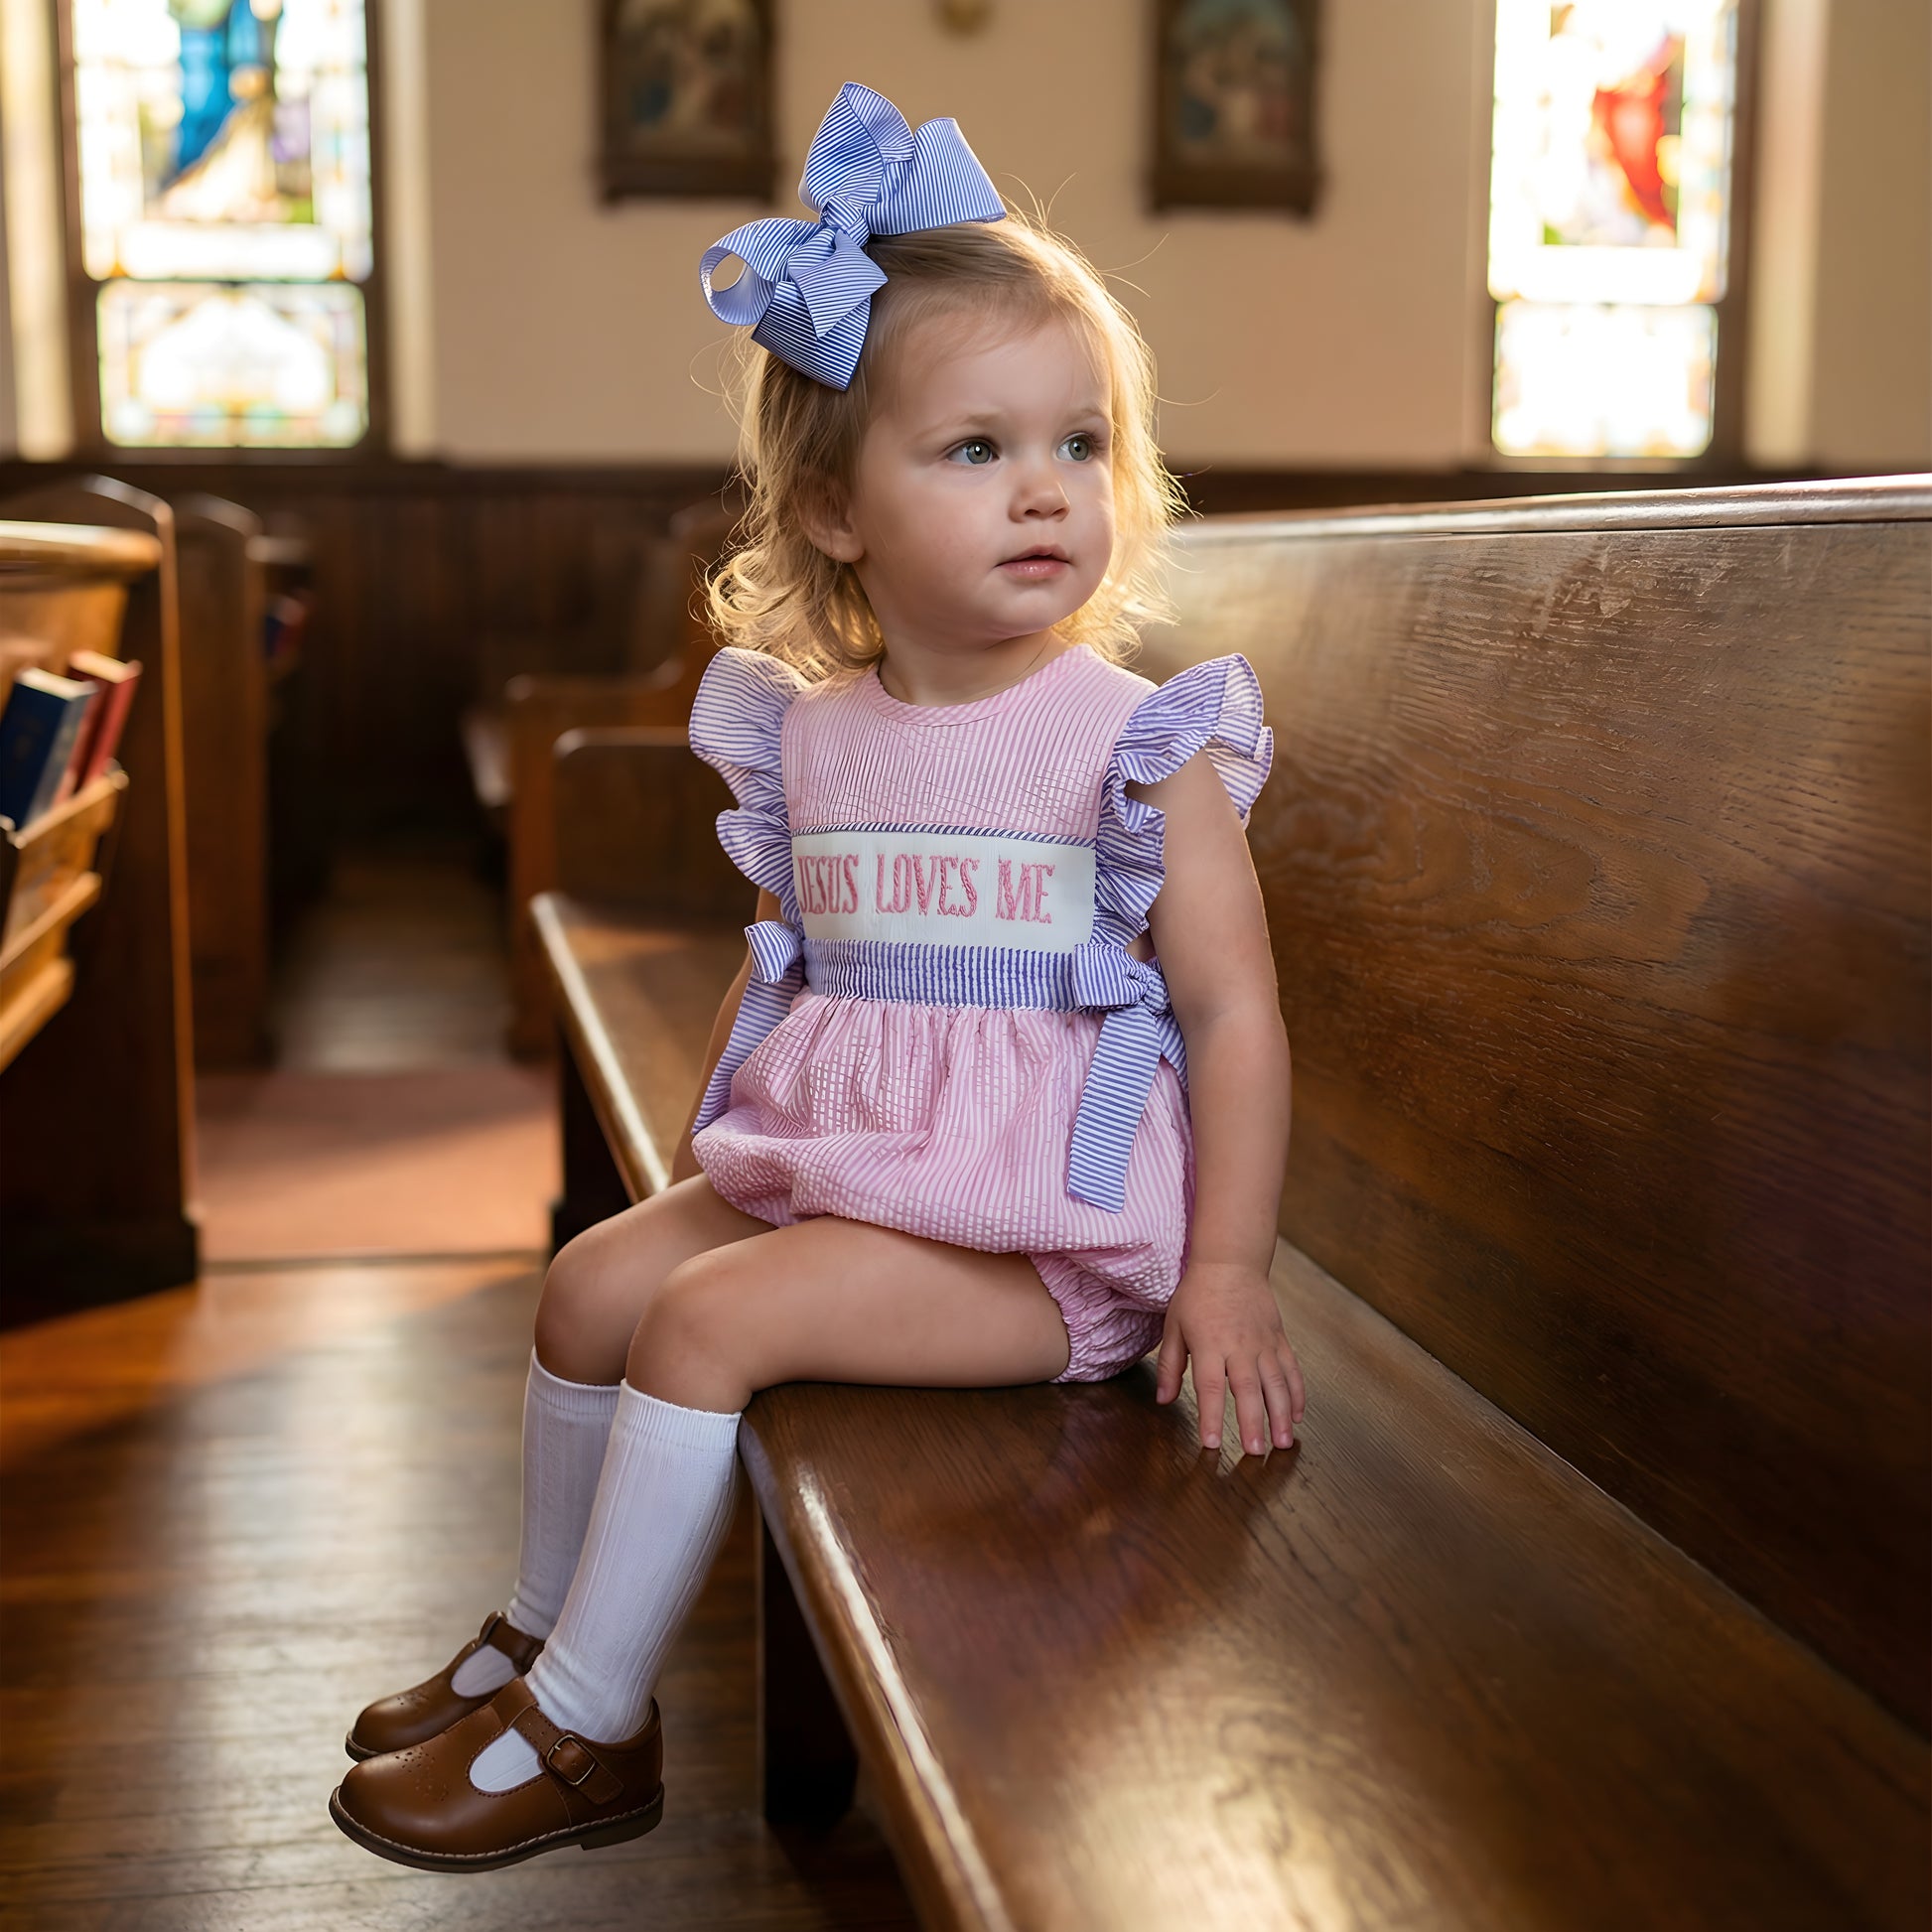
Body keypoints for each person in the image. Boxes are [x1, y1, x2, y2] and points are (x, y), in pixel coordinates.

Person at [330, 79, 1302, 1874]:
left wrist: (1225, 1271)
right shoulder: (820, 736)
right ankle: (540, 1630)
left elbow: (1233, 1014)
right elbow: (792, 969)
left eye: (1079, 443)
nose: (1044, 491)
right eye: (975, 449)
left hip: (1039, 1246)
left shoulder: (1131, 745)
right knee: (598, 1279)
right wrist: (720, 1164)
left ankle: (590, 1733)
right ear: (834, 507)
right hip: (855, 1178)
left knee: (707, 1324)